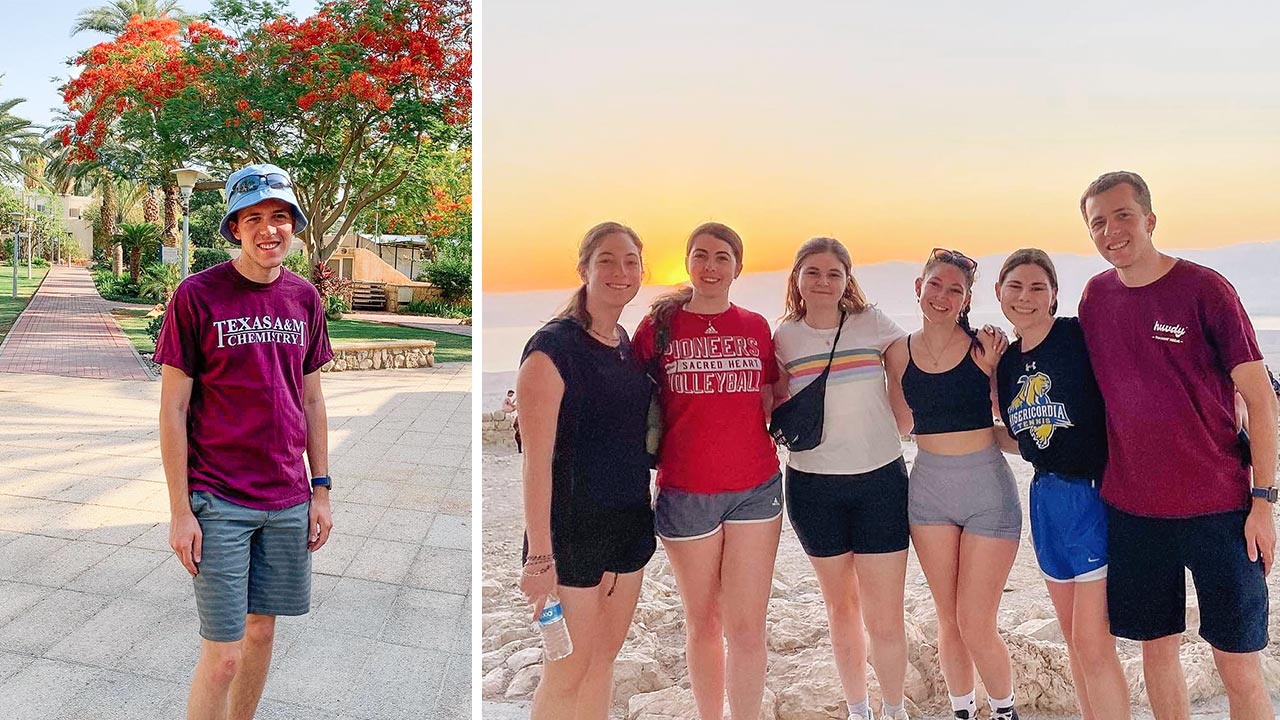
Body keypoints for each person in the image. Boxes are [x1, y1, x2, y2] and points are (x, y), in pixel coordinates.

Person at [1077, 171, 1277, 720]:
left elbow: (1261, 400)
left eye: (1122, 216)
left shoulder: (1205, 289)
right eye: (1098, 222)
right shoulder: (1096, 296)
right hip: (1134, 512)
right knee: (1156, 653)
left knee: (1237, 663)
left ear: (1150, 219)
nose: (1111, 230)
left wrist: (1264, 502)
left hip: (1221, 511)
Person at [155, 163, 334, 720]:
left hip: (286, 499)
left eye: (278, 216)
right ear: (234, 226)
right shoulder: (196, 295)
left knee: (261, 633)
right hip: (219, 502)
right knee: (223, 657)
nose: (267, 229)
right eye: (252, 217)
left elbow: (311, 401)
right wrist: (180, 511)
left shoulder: (304, 299)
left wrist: (320, 490)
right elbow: (173, 408)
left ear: (294, 225)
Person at [633, 221, 781, 720]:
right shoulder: (658, 328)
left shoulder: (757, 326)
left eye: (722, 257)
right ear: (688, 262)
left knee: (747, 626)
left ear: (738, 267)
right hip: (685, 490)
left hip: (756, 488)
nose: (711, 266)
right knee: (703, 621)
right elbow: (625, 396)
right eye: (701, 255)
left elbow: (772, 397)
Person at [517, 221, 656, 720]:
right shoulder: (552, 349)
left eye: (630, 262)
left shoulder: (627, 344)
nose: (620, 272)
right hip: (570, 536)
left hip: (629, 527)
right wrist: (539, 558)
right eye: (607, 260)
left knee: (602, 662)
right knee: (566, 672)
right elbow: (535, 464)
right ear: (584, 268)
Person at [772, 238, 913, 720]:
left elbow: (911, 359)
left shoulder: (871, 323)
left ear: (847, 278)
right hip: (813, 487)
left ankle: (893, 710)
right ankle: (859, 710)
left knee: (885, 615)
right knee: (842, 609)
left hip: (880, 483)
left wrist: (904, 418)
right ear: (797, 278)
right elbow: (768, 399)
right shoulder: (783, 337)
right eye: (812, 272)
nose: (823, 282)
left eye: (834, 273)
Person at [991, 249, 1131, 720]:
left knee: (1095, 644)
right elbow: (1023, 437)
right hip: (1045, 499)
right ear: (999, 293)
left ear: (1054, 295)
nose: (1025, 297)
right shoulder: (1009, 363)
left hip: (1093, 495)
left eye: (1037, 287)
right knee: (1073, 638)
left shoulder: (1078, 336)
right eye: (1015, 286)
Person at [885, 248, 1019, 720]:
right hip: (928, 494)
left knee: (976, 621)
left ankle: (1005, 711)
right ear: (918, 287)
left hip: (988, 492)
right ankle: (962, 711)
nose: (942, 296)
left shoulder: (986, 349)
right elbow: (900, 425)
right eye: (935, 285)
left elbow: (1016, 422)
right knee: (949, 620)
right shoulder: (897, 352)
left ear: (966, 300)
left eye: (955, 290)